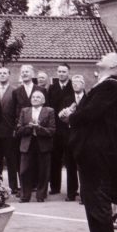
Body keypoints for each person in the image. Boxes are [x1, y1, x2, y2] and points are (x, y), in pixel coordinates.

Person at [67, 52, 117, 232]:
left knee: (99, 201)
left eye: (105, 56)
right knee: (91, 200)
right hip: (90, 152)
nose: (100, 57)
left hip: (99, 153)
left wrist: (71, 116)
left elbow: (91, 113)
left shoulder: (110, 86)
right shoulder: (101, 85)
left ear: (112, 65)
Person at [16, 90, 55, 202]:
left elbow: (52, 131)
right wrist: (29, 127)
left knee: (43, 171)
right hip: (27, 143)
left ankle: (41, 195)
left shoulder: (49, 111)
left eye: (38, 97)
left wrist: (39, 128)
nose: (35, 99)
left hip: (43, 144)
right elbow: (18, 130)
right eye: (33, 97)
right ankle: (25, 195)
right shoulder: (25, 111)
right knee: (24, 171)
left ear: (43, 100)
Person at [47, 63, 74, 195]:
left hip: (69, 128)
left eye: (64, 71)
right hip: (56, 129)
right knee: (55, 159)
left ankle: (72, 189)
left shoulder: (73, 86)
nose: (61, 74)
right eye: (59, 72)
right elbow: (49, 107)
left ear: (68, 73)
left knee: (70, 160)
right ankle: (55, 187)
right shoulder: (52, 88)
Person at [58, 74, 86, 201]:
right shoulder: (67, 99)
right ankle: (71, 193)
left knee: (84, 167)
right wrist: (67, 113)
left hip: (84, 137)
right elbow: (61, 117)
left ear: (83, 84)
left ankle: (85, 195)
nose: (75, 84)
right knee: (70, 166)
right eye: (73, 83)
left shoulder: (89, 98)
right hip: (69, 135)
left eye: (78, 82)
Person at [0, 66, 19, 194]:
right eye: (0, 73)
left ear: (9, 75)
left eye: (5, 73)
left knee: (11, 160)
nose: (2, 75)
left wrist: (15, 127)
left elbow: (17, 111)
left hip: (9, 130)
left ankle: (13, 186)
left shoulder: (15, 91)